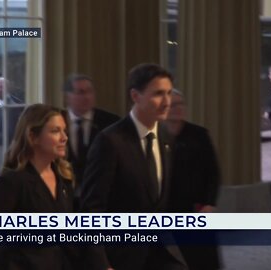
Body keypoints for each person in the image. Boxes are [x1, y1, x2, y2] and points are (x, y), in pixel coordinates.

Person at [80, 63, 187, 270]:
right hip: (120, 255)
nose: (167, 102)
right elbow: (91, 211)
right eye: (158, 94)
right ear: (136, 96)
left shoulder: (166, 138)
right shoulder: (110, 141)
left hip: (158, 252)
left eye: (168, 93)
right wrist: (102, 264)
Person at [0, 104, 78, 270]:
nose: (64, 137)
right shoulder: (10, 184)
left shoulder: (64, 178)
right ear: (33, 137)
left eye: (64, 130)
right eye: (55, 131)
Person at [165, 89, 220, 270]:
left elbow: (213, 173)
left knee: (203, 259)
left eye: (181, 104)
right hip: (164, 209)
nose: (178, 108)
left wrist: (210, 203)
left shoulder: (199, 135)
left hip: (194, 207)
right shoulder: (155, 135)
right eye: (173, 105)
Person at [63, 74, 120, 209]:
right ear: (68, 96)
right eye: (81, 92)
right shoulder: (57, 121)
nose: (87, 97)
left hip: (101, 199)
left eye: (90, 91)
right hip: (65, 200)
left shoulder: (111, 122)